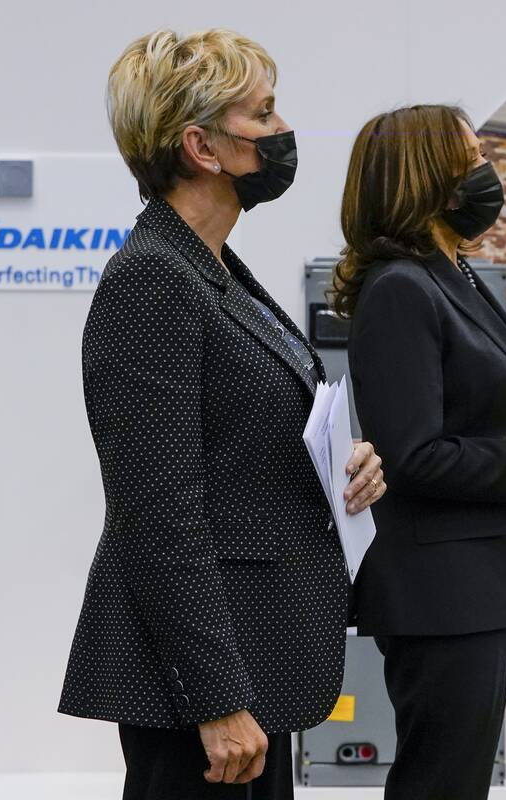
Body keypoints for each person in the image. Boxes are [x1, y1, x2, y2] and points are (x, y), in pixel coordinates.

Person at [57, 29, 387, 799]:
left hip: (256, 655)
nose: (281, 132)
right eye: (263, 114)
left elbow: (245, 450)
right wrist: (216, 698)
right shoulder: (151, 279)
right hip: (203, 690)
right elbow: (156, 513)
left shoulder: (212, 269)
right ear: (201, 147)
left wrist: (346, 464)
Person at [332, 104, 506, 800]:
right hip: (439, 593)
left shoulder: (453, 274)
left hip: (474, 583)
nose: (488, 172)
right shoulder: (400, 290)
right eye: (472, 156)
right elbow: (415, 454)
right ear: (430, 175)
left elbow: (474, 419)